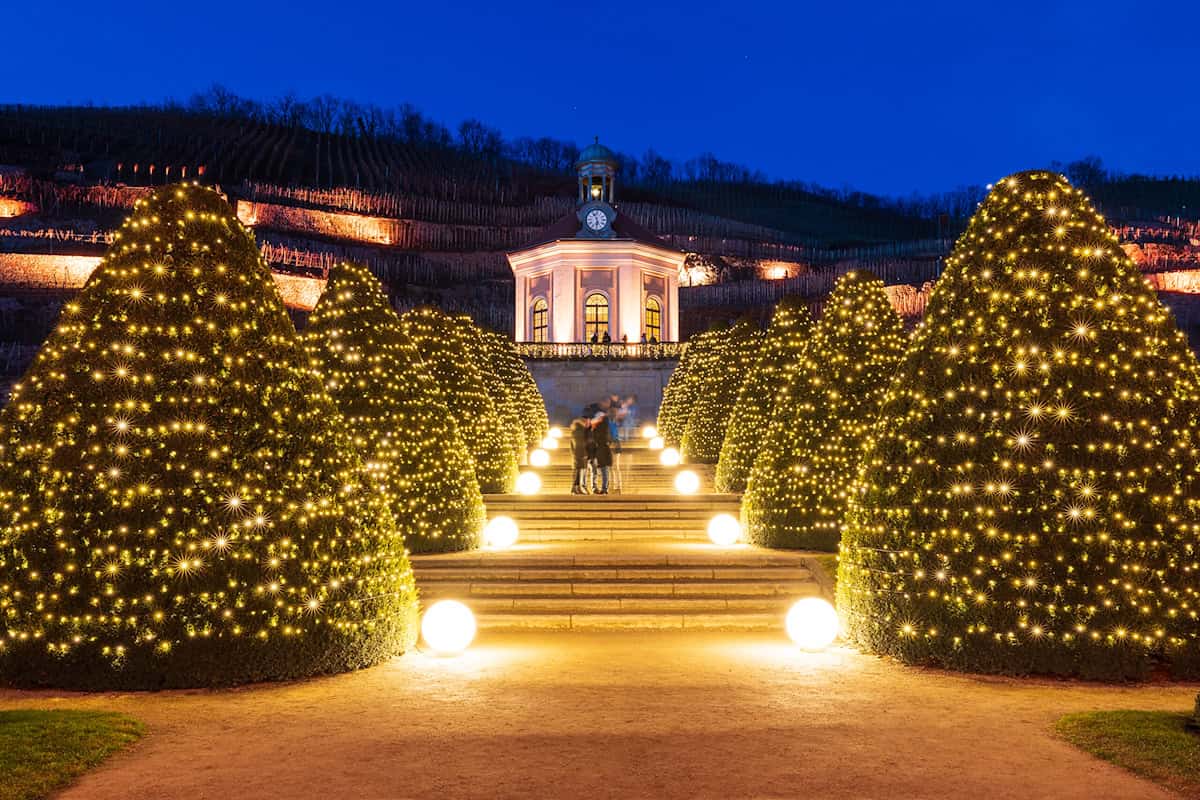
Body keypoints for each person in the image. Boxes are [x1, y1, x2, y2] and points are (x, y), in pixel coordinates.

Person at [590, 412, 612, 494]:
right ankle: (604, 488)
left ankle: (596, 487)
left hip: (598, 451)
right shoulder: (605, 427)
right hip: (602, 451)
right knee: (603, 471)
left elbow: (594, 440)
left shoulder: (597, 427)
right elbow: (609, 440)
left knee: (596, 471)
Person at [570, 416, 590, 494]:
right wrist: (585, 453)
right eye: (586, 422)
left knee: (577, 471)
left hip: (576, 454)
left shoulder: (575, 430)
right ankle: (576, 488)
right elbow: (581, 444)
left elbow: (572, 445)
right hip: (580, 454)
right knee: (579, 471)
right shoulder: (581, 431)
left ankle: (576, 488)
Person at [607, 409, 623, 494]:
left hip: (613, 446)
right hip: (616, 446)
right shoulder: (614, 423)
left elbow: (612, 436)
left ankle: (615, 486)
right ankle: (617, 486)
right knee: (615, 467)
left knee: (612, 467)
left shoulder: (610, 424)